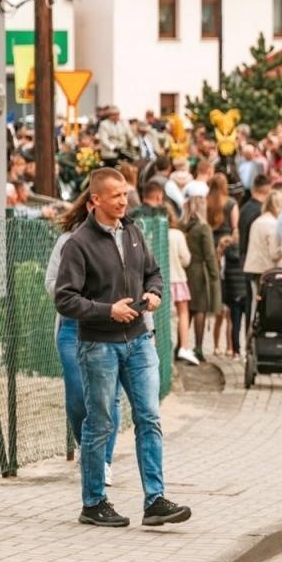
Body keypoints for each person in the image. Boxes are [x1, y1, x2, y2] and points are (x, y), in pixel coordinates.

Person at [52, 167, 191, 529]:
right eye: (116, 195)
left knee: (149, 417)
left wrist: (155, 293)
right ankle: (94, 502)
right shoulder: (78, 243)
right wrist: (105, 311)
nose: (124, 201)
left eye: (125, 194)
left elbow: (154, 272)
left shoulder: (133, 231)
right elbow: (65, 299)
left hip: (140, 341)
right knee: (100, 423)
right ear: (95, 199)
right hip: (99, 345)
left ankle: (155, 500)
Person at [45, 188, 121, 489]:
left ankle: (103, 462)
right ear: (90, 205)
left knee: (108, 396)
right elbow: (52, 282)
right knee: (78, 394)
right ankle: (86, 445)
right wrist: (77, 296)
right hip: (72, 325)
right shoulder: (67, 242)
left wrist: (148, 328)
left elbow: (136, 283)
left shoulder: (122, 238)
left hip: (109, 326)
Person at [181, 183, 219, 365]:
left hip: (185, 271)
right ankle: (197, 348)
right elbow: (210, 255)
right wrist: (214, 276)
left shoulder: (183, 225)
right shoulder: (203, 228)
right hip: (200, 272)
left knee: (186, 310)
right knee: (200, 310)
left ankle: (182, 345)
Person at [207, 174, 243, 357]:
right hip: (227, 249)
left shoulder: (207, 203)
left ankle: (215, 346)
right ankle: (230, 347)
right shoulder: (230, 203)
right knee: (230, 307)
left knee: (219, 305)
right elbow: (235, 228)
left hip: (211, 248)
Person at [167, 209, 195, 365]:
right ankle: (184, 346)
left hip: (163, 280)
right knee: (183, 312)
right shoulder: (177, 235)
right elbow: (186, 259)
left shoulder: (154, 233)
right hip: (178, 278)